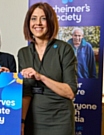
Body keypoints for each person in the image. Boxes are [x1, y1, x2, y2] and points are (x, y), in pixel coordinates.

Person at [18, 2, 77, 135]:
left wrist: (41, 77)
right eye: (33, 18)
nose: (38, 23)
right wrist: (21, 122)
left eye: (43, 18)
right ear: (28, 23)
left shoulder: (64, 49)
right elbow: (26, 92)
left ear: (50, 22)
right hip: (32, 120)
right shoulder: (23, 53)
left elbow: (70, 92)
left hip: (59, 121)